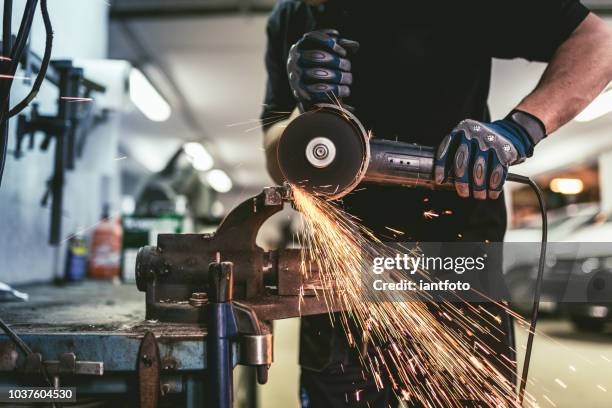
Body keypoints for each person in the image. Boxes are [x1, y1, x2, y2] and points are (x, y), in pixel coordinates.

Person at [260, 1, 612, 406]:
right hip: (341, 268)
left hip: (454, 260)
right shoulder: (288, 18)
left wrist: (518, 130)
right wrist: (303, 122)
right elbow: (274, 156)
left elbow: (598, 43)